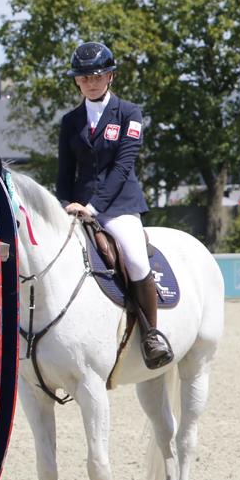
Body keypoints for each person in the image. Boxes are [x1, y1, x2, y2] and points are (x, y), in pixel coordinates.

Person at [56, 41, 172, 368]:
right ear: (77, 81)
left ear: (110, 77)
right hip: (77, 207)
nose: (91, 83)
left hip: (119, 205)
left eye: (97, 76)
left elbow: (122, 167)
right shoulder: (70, 121)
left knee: (134, 258)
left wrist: (93, 207)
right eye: (84, 78)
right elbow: (64, 173)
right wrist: (63, 205)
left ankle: (151, 335)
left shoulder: (129, 113)